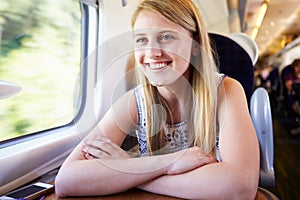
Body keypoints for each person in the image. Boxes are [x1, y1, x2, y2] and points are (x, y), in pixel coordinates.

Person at [55, 0, 259, 199]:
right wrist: (170, 163)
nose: (152, 52)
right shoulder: (135, 101)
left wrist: (128, 168)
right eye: (142, 40)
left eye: (166, 37)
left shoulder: (226, 91)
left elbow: (240, 187)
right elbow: (66, 180)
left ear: (195, 44)